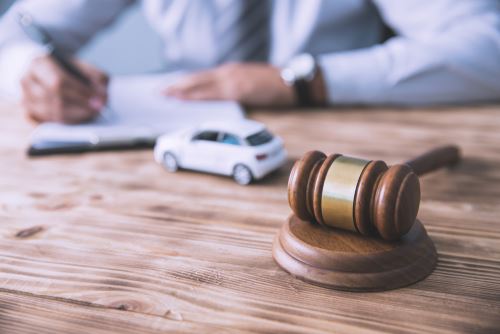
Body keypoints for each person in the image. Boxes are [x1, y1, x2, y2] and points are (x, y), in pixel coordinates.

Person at [0, 0, 499, 124]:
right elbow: (16, 33)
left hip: (344, 140)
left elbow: (490, 44)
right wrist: (29, 69)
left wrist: (302, 81)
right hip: (170, 154)